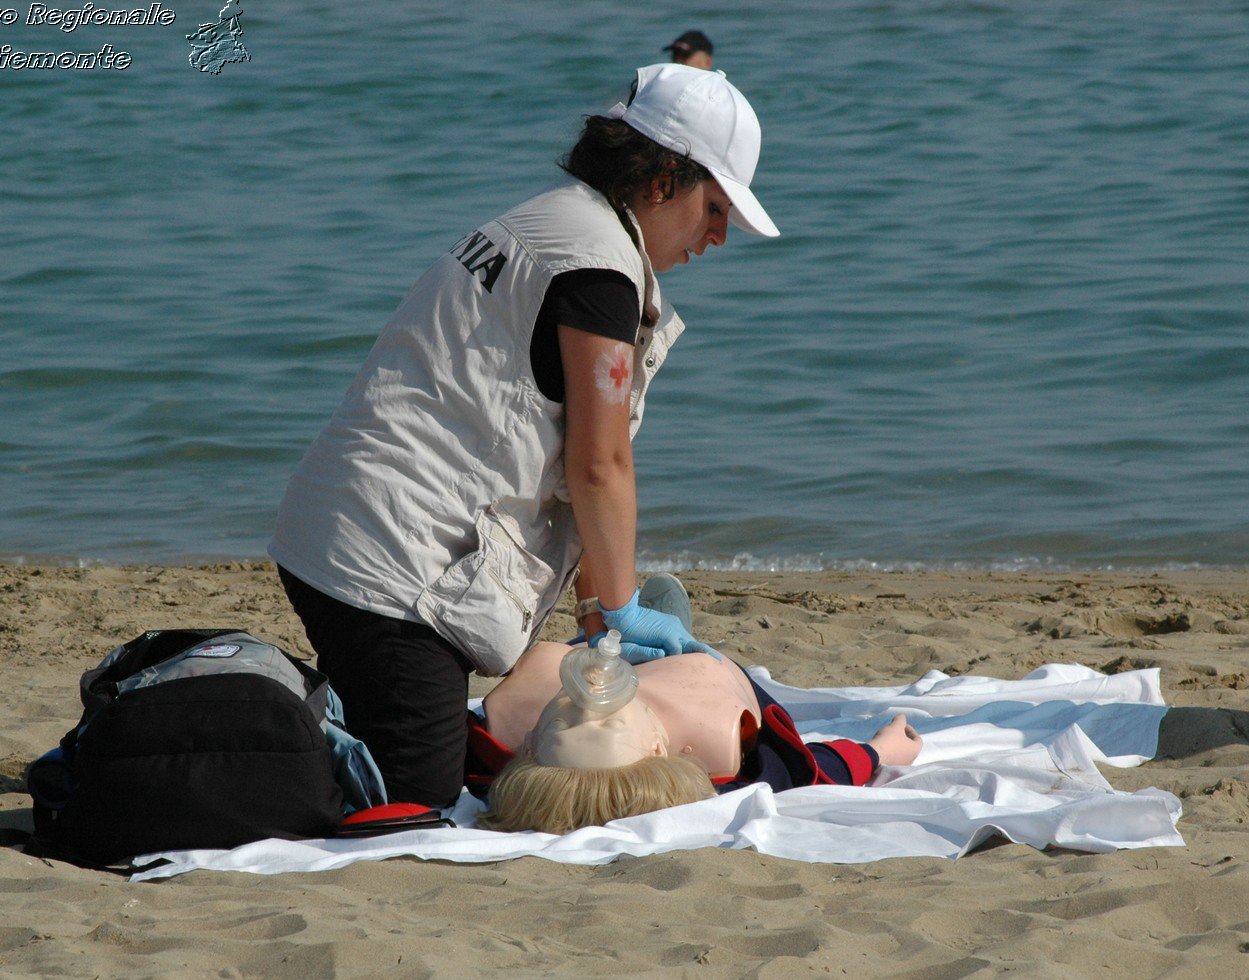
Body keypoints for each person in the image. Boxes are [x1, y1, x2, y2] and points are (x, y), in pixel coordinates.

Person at [270, 65, 780, 808]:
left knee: (406, 743)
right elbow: (599, 463)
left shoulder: (556, 222)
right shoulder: (599, 270)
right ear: (665, 178)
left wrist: (598, 605)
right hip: (384, 567)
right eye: (717, 205)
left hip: (342, 530)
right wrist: (624, 601)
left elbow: (550, 455)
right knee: (418, 801)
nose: (720, 234)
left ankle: (315, 707)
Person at [471, 639, 924, 834]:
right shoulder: (715, 749)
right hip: (699, 674)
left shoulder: (507, 722)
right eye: (609, 723)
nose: (590, 705)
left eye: (565, 722)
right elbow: (810, 770)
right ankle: (671, 620)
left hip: (588, 648)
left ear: (527, 744)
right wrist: (881, 748)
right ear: (655, 747)